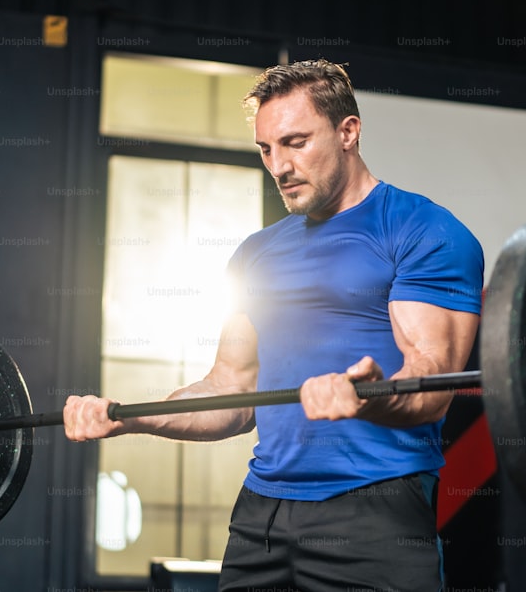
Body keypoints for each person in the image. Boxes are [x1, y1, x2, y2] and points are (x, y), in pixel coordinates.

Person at [64, 59, 484, 591]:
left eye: (296, 142)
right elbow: (231, 391)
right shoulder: (256, 254)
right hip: (261, 516)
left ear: (348, 131)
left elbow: (432, 382)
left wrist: (367, 396)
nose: (279, 165)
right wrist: (129, 418)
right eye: (266, 149)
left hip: (375, 509)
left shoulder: (425, 231)